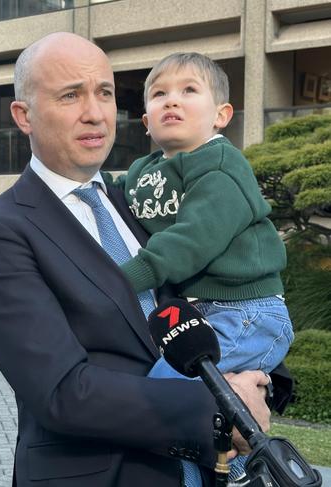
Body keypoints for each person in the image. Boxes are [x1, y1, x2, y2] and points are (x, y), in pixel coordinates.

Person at [0, 33, 281, 487]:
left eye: (104, 93)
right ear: (23, 115)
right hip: (104, 473)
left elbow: (208, 299)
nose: (94, 113)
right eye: (70, 95)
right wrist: (222, 406)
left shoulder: (135, 200)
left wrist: (261, 380)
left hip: (207, 468)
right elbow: (62, 392)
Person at [112, 52, 294, 481]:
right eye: (159, 95)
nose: (171, 101)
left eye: (188, 91)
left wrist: (123, 281)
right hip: (202, 314)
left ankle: (252, 470)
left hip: (247, 312)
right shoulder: (143, 170)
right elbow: (111, 200)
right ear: (146, 120)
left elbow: (192, 239)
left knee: (169, 390)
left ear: (221, 115)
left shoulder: (221, 165)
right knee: (199, 411)